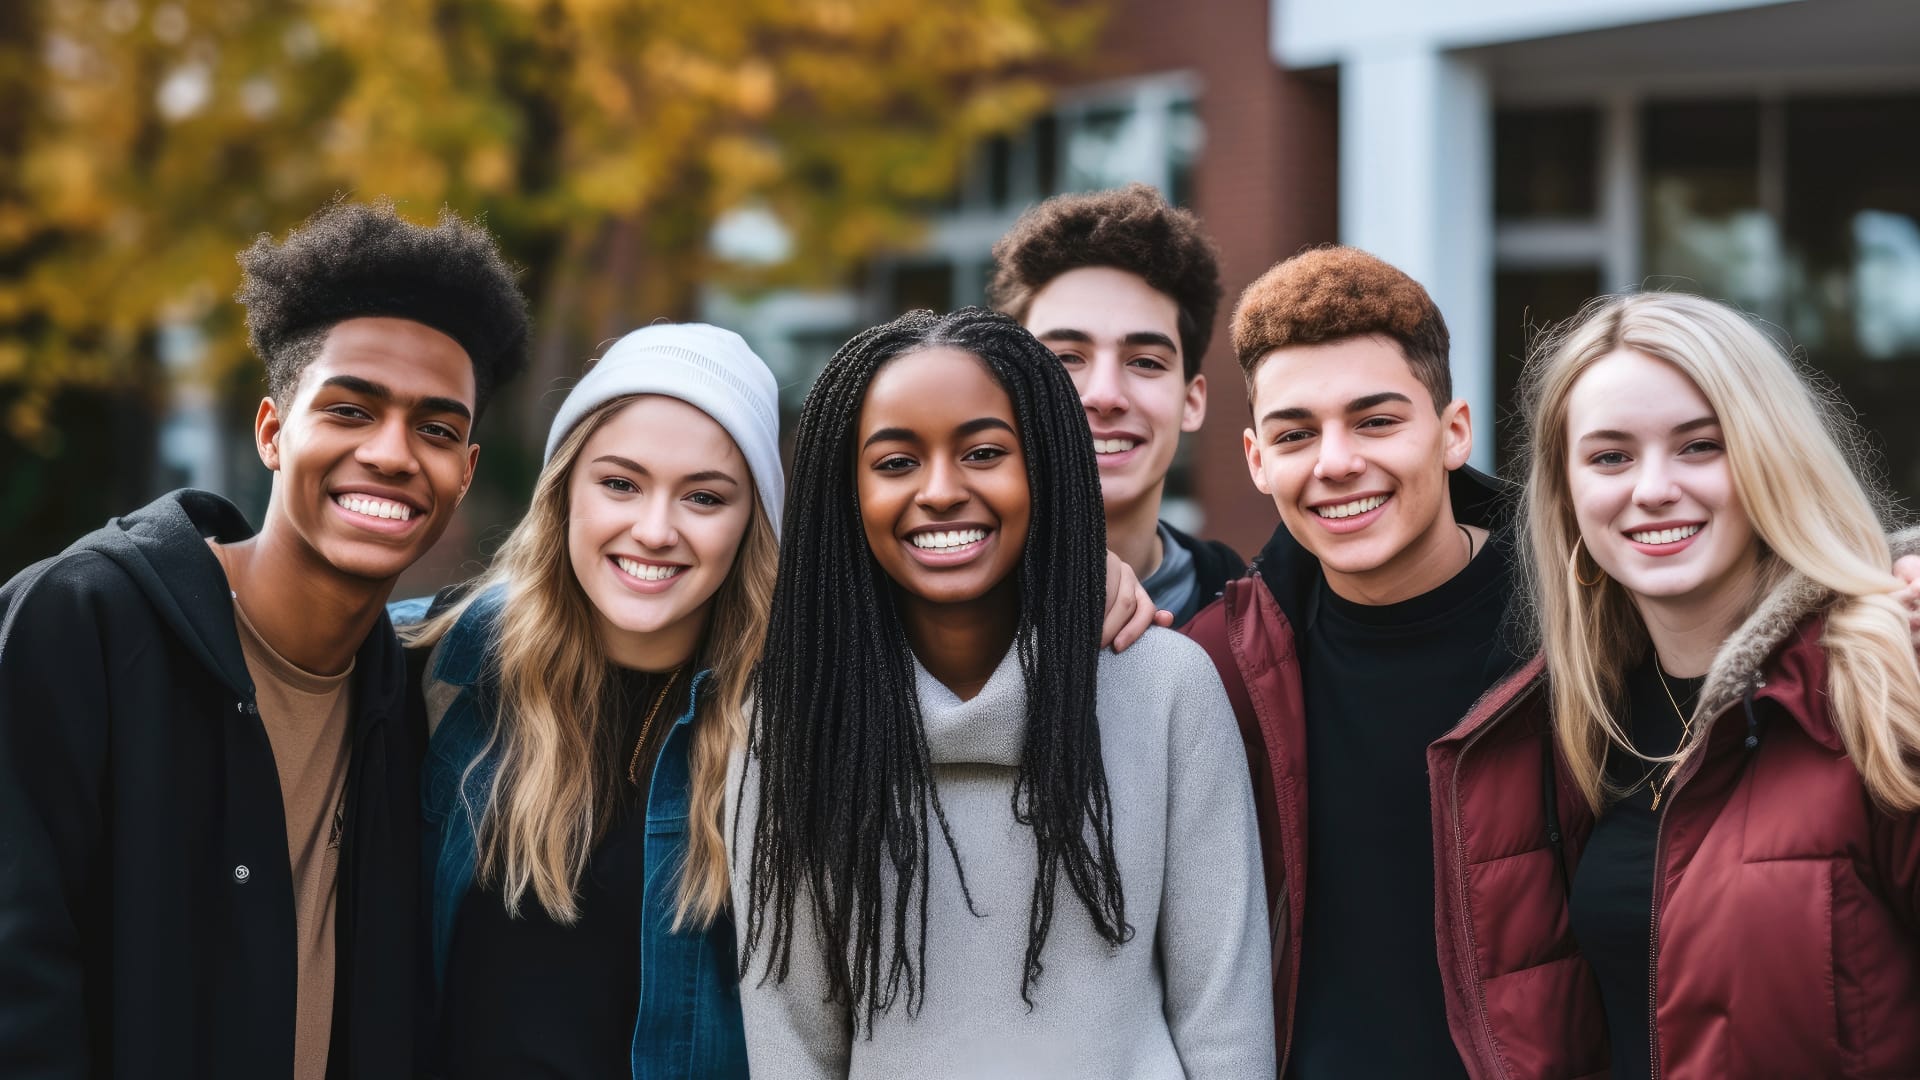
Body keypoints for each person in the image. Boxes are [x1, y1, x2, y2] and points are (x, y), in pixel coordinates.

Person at [0, 200, 529, 1078]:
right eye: (352, 411)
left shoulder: (410, 703)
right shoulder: (82, 622)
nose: (394, 454)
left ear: (465, 472)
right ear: (274, 431)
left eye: (437, 429)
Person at [730, 308, 1273, 1078]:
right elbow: (793, 1042)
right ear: (844, 492)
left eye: (984, 452)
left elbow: (1226, 1025)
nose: (942, 491)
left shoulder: (1168, 690)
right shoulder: (795, 720)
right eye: (894, 463)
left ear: (1045, 466)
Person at [1429, 292, 1920, 1079]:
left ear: (1771, 456)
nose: (1652, 488)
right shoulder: (1573, 723)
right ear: (1568, 494)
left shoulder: (1886, 682)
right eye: (1611, 456)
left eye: (1699, 446)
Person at [396, 324, 781, 1078]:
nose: (655, 529)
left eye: (704, 496)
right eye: (620, 483)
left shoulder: (798, 717)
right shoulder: (439, 668)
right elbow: (259, 633)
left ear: (749, 523)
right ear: (565, 488)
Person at [1182, 246, 1517, 1077]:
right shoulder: (1218, 663)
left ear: (1453, 433)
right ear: (1259, 461)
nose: (1336, 463)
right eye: (1297, 434)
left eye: (1375, 421)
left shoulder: (1582, 630)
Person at [989, 183, 1244, 625]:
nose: (1105, 395)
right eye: (1065, 358)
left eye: (1145, 362)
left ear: (1192, 401)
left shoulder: (1264, 621)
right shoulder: (914, 613)